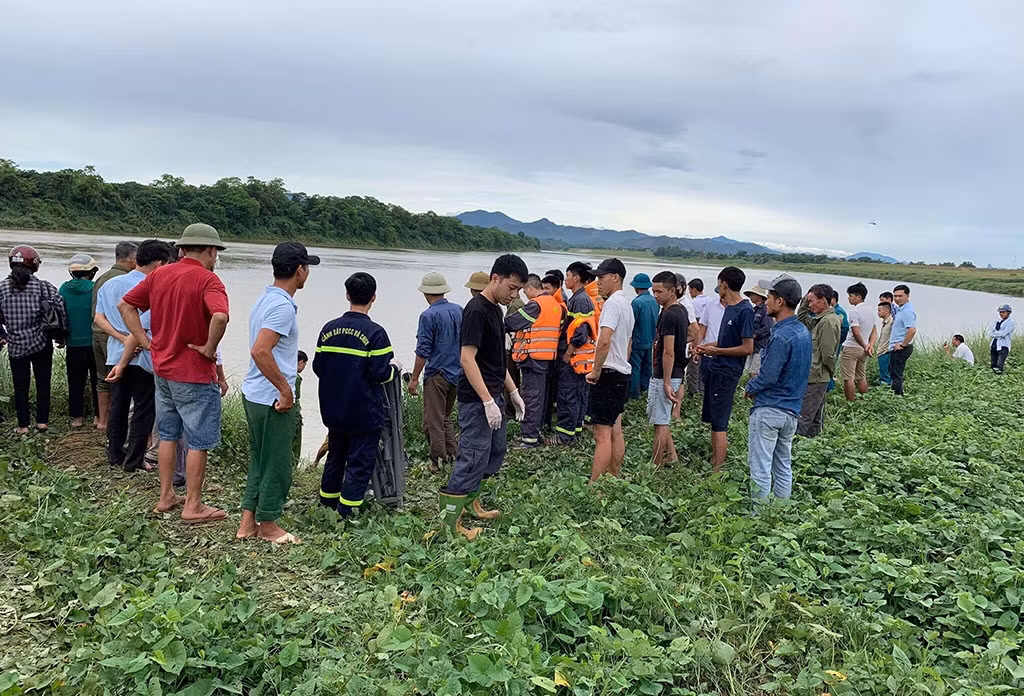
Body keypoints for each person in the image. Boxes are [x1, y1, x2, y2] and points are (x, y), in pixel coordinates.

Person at [120, 223, 230, 523]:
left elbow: (125, 306)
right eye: (215, 253)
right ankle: (193, 505)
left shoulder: (159, 274)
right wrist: (208, 348)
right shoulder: (209, 280)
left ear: (181, 249)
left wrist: (145, 342)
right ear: (211, 250)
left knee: (168, 434)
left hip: (163, 370)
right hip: (194, 373)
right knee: (198, 441)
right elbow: (220, 317)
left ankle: (166, 495)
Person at [440, 255, 528, 541]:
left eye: (519, 290)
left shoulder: (496, 310)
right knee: (472, 456)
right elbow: (467, 359)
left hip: (494, 394)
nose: (514, 295)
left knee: (494, 451)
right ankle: (450, 523)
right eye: (511, 288)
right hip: (477, 399)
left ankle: (471, 503)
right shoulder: (476, 310)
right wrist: (487, 401)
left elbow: (496, 360)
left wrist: (513, 391)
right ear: (495, 279)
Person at [236, 242, 318, 544]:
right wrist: (285, 389)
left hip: (255, 394)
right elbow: (260, 350)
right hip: (272, 399)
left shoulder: (266, 298)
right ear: (299, 270)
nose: (307, 273)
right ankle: (269, 525)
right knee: (279, 462)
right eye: (307, 267)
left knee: (261, 459)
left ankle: (247, 523)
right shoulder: (282, 307)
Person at [315, 272, 397, 518]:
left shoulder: (328, 329)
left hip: (333, 409)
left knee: (336, 456)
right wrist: (395, 369)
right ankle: (346, 512)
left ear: (347, 295)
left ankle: (327, 504)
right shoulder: (376, 333)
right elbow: (380, 373)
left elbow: (318, 367)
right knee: (359, 462)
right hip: (363, 411)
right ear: (374, 297)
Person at [100, 240, 176, 472]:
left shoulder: (110, 284)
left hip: (115, 354)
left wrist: (121, 339)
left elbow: (98, 318)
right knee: (143, 409)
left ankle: (115, 456)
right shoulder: (154, 286)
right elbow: (143, 322)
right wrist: (139, 341)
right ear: (160, 263)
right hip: (143, 356)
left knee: (118, 406)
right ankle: (133, 461)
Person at [743, 274, 811, 506]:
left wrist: (750, 387)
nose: (766, 301)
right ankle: (781, 513)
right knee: (783, 465)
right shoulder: (802, 332)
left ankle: (759, 517)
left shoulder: (781, 335)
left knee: (760, 467)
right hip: (791, 410)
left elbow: (769, 376)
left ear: (780, 301)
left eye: (770, 297)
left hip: (770, 408)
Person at [0, 245, 66, 434]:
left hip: (16, 346)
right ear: (34, 265)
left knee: (20, 385)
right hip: (41, 343)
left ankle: (23, 426)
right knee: (43, 382)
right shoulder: (44, 287)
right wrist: (60, 336)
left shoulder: (2, 288)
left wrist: (4, 333)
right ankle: (42, 422)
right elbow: (60, 310)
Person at [694, 267, 754, 472]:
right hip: (715, 366)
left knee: (720, 422)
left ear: (724, 284)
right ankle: (714, 462)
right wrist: (707, 347)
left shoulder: (745, 310)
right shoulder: (729, 307)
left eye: (719, 283)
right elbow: (726, 340)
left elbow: (747, 347)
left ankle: (717, 471)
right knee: (713, 419)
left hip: (727, 372)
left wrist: (717, 351)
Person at [409, 272, 463, 472]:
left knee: (433, 420)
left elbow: (423, 350)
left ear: (425, 293)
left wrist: (414, 378)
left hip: (437, 374)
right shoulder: (459, 310)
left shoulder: (428, 316)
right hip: (457, 372)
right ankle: (453, 455)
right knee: (445, 416)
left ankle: (437, 461)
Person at [587, 258, 635, 482]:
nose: (598, 282)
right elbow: (628, 343)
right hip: (622, 372)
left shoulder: (612, 304)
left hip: (609, 373)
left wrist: (596, 371)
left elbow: (604, 340)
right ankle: (613, 476)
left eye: (601, 277)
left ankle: (595, 486)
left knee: (601, 434)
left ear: (615, 278)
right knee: (615, 428)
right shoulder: (626, 304)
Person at [506, 274, 564, 448]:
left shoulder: (535, 305)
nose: (524, 295)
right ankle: (536, 432)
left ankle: (529, 438)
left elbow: (511, 322)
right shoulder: (556, 304)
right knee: (541, 397)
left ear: (530, 288)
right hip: (548, 358)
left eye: (524, 291)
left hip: (533, 357)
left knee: (531, 397)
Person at [91, 241, 137, 431]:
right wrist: (123, 338)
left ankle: (102, 421)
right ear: (133, 259)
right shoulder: (126, 281)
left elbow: (96, 312)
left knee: (103, 379)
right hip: (116, 337)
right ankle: (121, 426)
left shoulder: (102, 278)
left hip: (97, 334)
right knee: (121, 381)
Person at [648, 271, 688, 467]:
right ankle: (672, 456)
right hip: (675, 372)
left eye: (659, 292)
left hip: (666, 374)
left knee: (660, 423)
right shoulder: (680, 310)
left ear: (672, 291)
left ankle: (655, 465)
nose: (656, 296)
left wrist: (665, 382)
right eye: (654, 291)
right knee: (662, 417)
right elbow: (690, 334)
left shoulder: (670, 315)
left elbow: (668, 351)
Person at [555, 261, 596, 445]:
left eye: (568, 276)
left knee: (568, 395)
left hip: (574, 358)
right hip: (580, 359)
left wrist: (568, 353)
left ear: (577, 278)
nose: (566, 280)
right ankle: (575, 429)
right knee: (579, 394)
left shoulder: (580, 301)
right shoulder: (580, 298)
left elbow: (581, 332)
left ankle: (565, 436)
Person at [60, 253, 100, 427]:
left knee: (75, 382)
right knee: (98, 381)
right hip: (94, 342)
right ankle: (98, 416)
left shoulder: (63, 289)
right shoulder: (96, 288)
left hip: (73, 343)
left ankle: (77, 418)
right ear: (92, 272)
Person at [796, 284, 842, 437]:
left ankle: (795, 445)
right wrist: (804, 301)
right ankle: (812, 443)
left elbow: (828, 354)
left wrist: (831, 372)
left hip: (817, 376)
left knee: (804, 417)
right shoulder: (820, 320)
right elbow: (802, 319)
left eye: (812, 301)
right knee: (815, 417)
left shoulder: (828, 322)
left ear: (823, 300)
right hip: (815, 376)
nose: (809, 305)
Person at [840, 282, 878, 401]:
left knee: (848, 377)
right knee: (861, 376)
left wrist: (865, 345)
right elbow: (874, 332)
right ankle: (864, 400)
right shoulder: (870, 311)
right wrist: (869, 346)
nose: (849, 298)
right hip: (863, 350)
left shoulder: (855, 312)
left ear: (859, 297)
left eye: (851, 296)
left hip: (852, 347)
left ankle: (850, 402)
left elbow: (856, 332)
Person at [628, 273, 659, 400]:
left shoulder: (636, 302)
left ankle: (634, 396)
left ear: (636, 287)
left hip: (637, 341)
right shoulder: (655, 301)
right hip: (650, 340)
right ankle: (646, 394)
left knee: (635, 369)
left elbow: (631, 323)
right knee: (647, 368)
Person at [673, 273, 699, 414]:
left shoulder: (685, 304)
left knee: (678, 378)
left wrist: (694, 349)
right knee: (678, 378)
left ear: (682, 287)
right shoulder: (677, 302)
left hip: (681, 348)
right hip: (678, 347)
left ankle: (676, 410)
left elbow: (695, 329)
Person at [888, 284, 917, 396]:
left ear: (907, 296)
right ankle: (897, 395)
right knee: (893, 373)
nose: (897, 298)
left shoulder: (907, 311)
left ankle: (897, 397)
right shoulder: (901, 309)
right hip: (896, 347)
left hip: (901, 348)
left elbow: (912, 330)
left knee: (896, 375)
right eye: (895, 296)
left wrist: (903, 345)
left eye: (900, 296)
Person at [743, 281, 773, 377]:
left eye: (752, 294)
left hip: (760, 346)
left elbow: (767, 327)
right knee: (749, 370)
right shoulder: (754, 310)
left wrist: (755, 334)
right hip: (752, 346)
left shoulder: (765, 310)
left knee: (755, 372)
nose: (750, 297)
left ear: (759, 296)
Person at [989, 304, 1015, 373]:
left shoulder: (1011, 322)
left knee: (999, 365)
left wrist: (995, 333)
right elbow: (990, 333)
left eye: (1003, 312)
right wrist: (998, 333)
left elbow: (1003, 334)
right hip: (994, 344)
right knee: (993, 364)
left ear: (1008, 312)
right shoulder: (997, 321)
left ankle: (999, 377)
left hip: (1003, 346)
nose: (1001, 314)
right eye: (1000, 312)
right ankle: (993, 377)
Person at [293, 350, 307, 464]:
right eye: (304, 364)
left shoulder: (284, 373)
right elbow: (296, 397)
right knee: (296, 442)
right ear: (300, 362)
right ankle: (293, 465)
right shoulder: (296, 378)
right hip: (294, 414)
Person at [876, 301, 894, 385]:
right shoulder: (884, 322)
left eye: (879, 310)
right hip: (881, 352)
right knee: (883, 373)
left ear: (886, 311)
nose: (878, 312)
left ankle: (885, 389)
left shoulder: (892, 322)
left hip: (886, 352)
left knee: (885, 375)